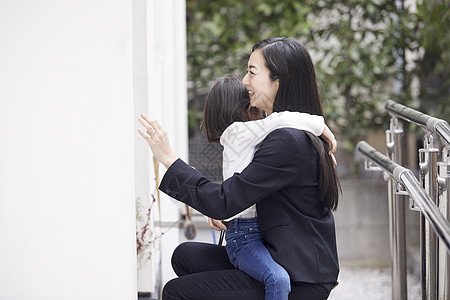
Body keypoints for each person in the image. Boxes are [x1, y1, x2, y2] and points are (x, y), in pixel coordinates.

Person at [138, 37, 341, 299]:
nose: (245, 81)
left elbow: (225, 201)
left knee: (177, 292)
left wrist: (168, 158)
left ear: (278, 80)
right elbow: (240, 192)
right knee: (185, 256)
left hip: (295, 276)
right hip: (279, 252)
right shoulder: (286, 130)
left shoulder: (286, 140)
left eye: (252, 72)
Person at [199, 75, 336, 300]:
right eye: (250, 103)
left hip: (252, 231)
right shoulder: (240, 132)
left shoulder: (243, 138)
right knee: (278, 279)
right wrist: (321, 127)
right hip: (244, 236)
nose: (258, 110)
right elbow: (281, 120)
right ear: (241, 108)